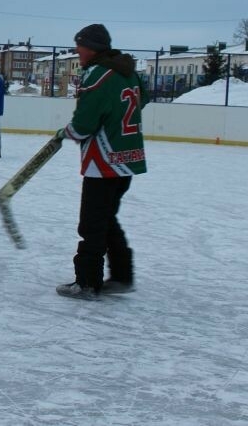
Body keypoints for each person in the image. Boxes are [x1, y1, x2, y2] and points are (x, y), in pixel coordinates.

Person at [56, 24, 147, 300]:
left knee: (92, 224)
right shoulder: (127, 71)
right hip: (128, 159)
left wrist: (65, 133)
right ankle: (121, 276)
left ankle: (86, 281)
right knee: (106, 219)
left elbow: (83, 124)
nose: (77, 51)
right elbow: (143, 100)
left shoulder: (97, 74)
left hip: (104, 161)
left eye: (80, 45)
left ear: (92, 47)